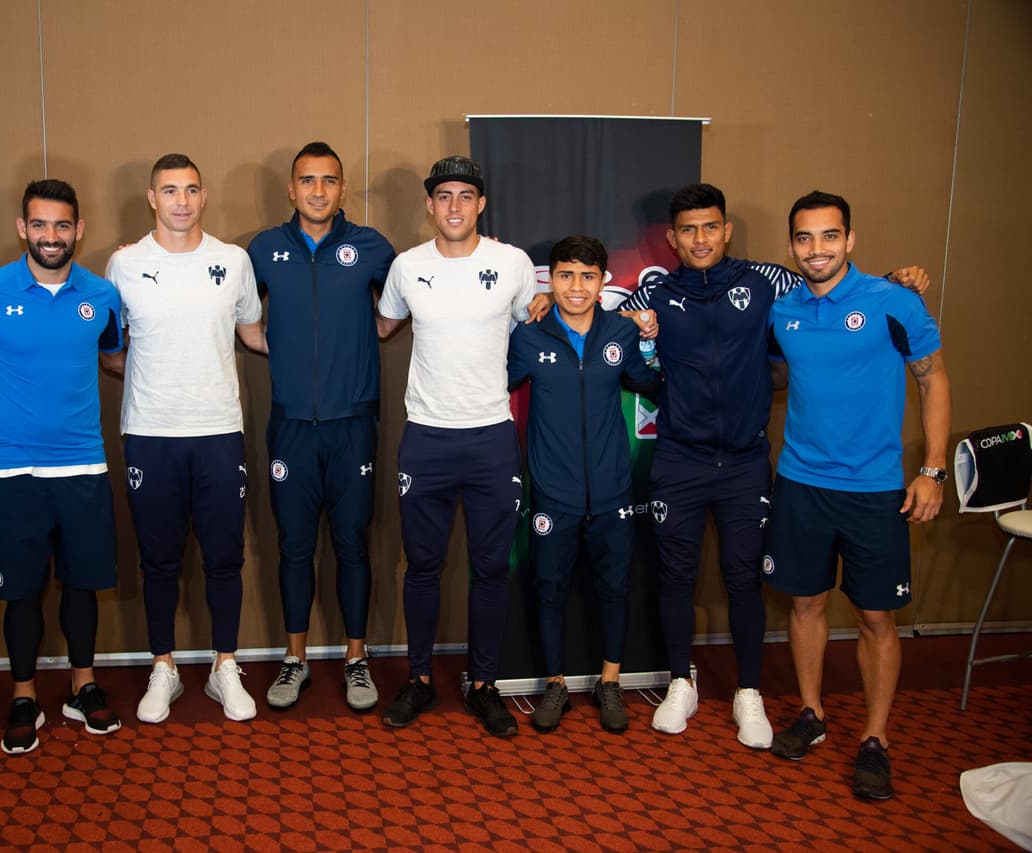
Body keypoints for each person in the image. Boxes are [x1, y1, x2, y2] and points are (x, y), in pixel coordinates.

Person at [617, 183, 927, 749]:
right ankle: (679, 683)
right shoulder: (653, 295)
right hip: (679, 460)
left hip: (744, 464)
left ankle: (749, 694)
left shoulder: (767, 284)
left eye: (710, 226)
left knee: (744, 581)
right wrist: (550, 308)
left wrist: (895, 280)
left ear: (727, 229)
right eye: (688, 229)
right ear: (672, 238)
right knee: (676, 578)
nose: (700, 238)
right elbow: (627, 363)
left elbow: (832, 284)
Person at [764, 191, 950, 800]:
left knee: (875, 617)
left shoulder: (893, 301)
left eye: (829, 236)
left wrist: (934, 469)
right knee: (806, 605)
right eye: (804, 238)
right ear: (791, 244)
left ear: (850, 240)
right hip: (800, 483)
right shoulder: (782, 310)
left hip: (875, 490)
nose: (816, 249)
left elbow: (934, 377)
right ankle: (813, 714)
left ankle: (875, 739)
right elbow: (769, 372)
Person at [0, 179, 123, 754]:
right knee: (21, 593)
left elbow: (117, 358)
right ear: (22, 228)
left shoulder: (101, 296)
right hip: (11, 473)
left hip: (83, 467)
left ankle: (83, 686)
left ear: (80, 230)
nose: (52, 237)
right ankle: (24, 695)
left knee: (81, 585)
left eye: (63, 225)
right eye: (40, 225)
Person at [375, 155, 535, 738]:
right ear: (429, 205)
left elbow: (532, 323)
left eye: (465, 195)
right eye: (443, 196)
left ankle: (484, 684)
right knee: (422, 566)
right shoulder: (406, 266)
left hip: (492, 436)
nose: (454, 206)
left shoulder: (512, 263)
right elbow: (384, 323)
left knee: (490, 568)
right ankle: (419, 680)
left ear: (481, 204)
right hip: (427, 438)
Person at [103, 154, 263, 723]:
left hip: (219, 430)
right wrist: (156, 374)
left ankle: (224, 665)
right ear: (152, 198)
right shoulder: (122, 264)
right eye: (169, 190)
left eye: (191, 189)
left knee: (224, 556)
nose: (181, 201)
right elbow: (111, 346)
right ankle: (164, 666)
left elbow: (253, 334)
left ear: (203, 195)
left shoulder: (233, 261)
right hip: (150, 433)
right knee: (158, 559)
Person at [246, 142, 395, 713]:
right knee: (293, 547)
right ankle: (295, 659)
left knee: (353, 544)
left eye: (328, 181)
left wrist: (368, 336)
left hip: (353, 422)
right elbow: (240, 318)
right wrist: (278, 349)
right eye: (306, 181)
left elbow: (397, 310)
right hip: (290, 427)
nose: (317, 190)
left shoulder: (371, 246)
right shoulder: (263, 249)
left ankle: (356, 658)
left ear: (341, 189)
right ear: (291, 189)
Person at [508, 235, 660, 734]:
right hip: (554, 491)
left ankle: (609, 683)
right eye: (566, 275)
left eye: (588, 276)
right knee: (549, 589)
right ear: (549, 279)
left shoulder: (619, 330)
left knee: (614, 588)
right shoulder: (529, 335)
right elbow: (493, 384)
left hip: (614, 491)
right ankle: (556, 685)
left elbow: (644, 381)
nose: (577, 286)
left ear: (602, 282)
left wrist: (649, 338)